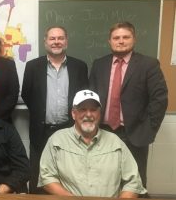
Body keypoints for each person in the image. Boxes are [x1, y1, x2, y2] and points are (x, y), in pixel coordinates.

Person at [89, 21, 168, 188]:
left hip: (134, 134)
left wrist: (148, 129)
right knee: (104, 178)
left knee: (135, 181)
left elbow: (159, 99)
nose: (121, 41)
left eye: (126, 37)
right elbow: (92, 97)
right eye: (116, 37)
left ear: (134, 39)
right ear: (109, 41)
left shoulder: (148, 64)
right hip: (103, 132)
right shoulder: (99, 64)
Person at [38, 89, 147, 198]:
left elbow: (133, 183)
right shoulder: (57, 140)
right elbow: (46, 178)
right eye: (83, 109)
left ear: (99, 114)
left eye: (93, 109)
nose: (88, 114)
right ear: (73, 113)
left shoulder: (115, 142)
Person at [21, 26, 88, 193]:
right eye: (52, 38)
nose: (56, 42)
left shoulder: (80, 66)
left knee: (69, 173)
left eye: (60, 38)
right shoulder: (32, 66)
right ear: (45, 42)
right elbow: (27, 95)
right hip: (41, 130)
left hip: (70, 130)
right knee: (38, 174)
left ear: (66, 41)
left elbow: (84, 98)